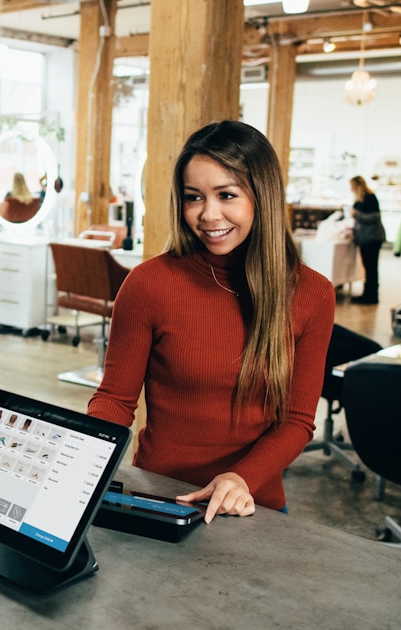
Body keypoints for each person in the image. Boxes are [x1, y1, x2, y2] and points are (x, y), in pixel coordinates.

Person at [87, 121, 335, 522]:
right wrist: (79, 460)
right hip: (158, 498)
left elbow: (297, 421)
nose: (207, 214)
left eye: (226, 195)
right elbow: (115, 400)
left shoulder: (311, 293)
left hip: (252, 506)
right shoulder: (149, 284)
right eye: (193, 197)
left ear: (262, 197)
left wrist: (241, 478)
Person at [349, 175, 386, 305]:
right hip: (365, 238)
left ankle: (371, 296)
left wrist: (357, 215)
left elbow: (374, 217)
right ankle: (368, 294)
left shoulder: (369, 198)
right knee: (368, 267)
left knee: (371, 267)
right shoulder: (360, 199)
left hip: (372, 238)